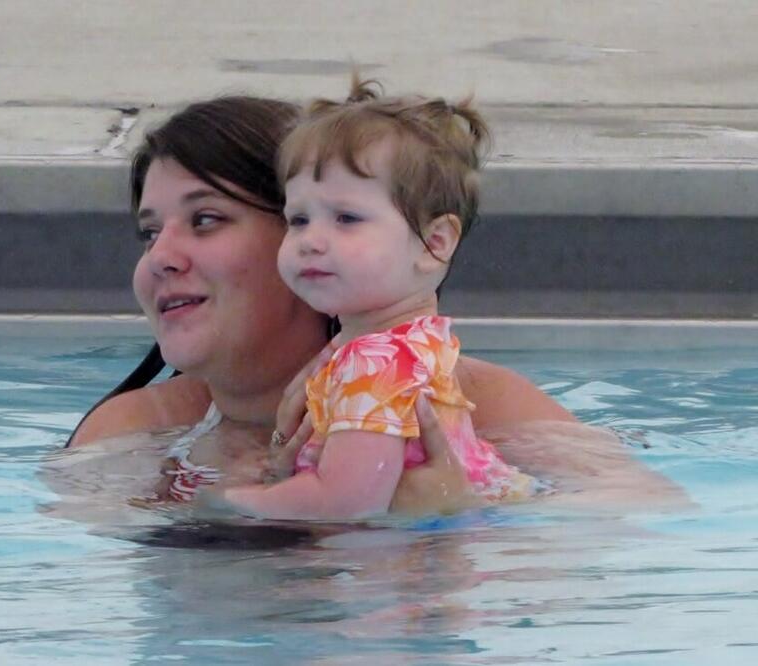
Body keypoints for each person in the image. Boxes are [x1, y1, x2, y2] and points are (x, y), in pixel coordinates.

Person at [64, 91, 679, 516]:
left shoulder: (474, 404)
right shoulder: (136, 432)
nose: (159, 258)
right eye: (149, 232)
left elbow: (645, 511)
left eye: (205, 220)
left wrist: (456, 520)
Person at [212, 80, 537, 520]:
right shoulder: (418, 344)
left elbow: (345, 504)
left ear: (434, 243)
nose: (310, 240)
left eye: (346, 218)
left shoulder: (375, 362)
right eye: (299, 219)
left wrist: (227, 503)